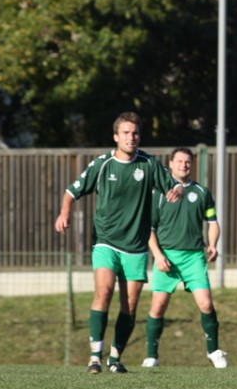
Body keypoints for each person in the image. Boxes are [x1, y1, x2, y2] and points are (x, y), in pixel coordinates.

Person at [55, 112, 181, 374]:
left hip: (135, 245)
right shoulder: (102, 164)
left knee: (130, 306)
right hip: (105, 241)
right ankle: (94, 357)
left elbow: (174, 187)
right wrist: (64, 212)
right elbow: (71, 192)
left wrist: (177, 191)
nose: (131, 137)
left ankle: (115, 357)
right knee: (104, 291)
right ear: (116, 137)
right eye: (125, 133)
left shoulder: (148, 164)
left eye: (135, 133)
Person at [142, 147, 227, 368]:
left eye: (187, 162)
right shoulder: (158, 193)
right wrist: (158, 255)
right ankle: (151, 356)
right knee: (158, 307)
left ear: (192, 164)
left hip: (194, 257)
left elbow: (212, 222)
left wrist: (213, 245)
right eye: (179, 161)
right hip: (166, 257)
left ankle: (214, 352)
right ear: (170, 164)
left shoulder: (201, 192)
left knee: (206, 303)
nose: (183, 165)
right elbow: (149, 229)